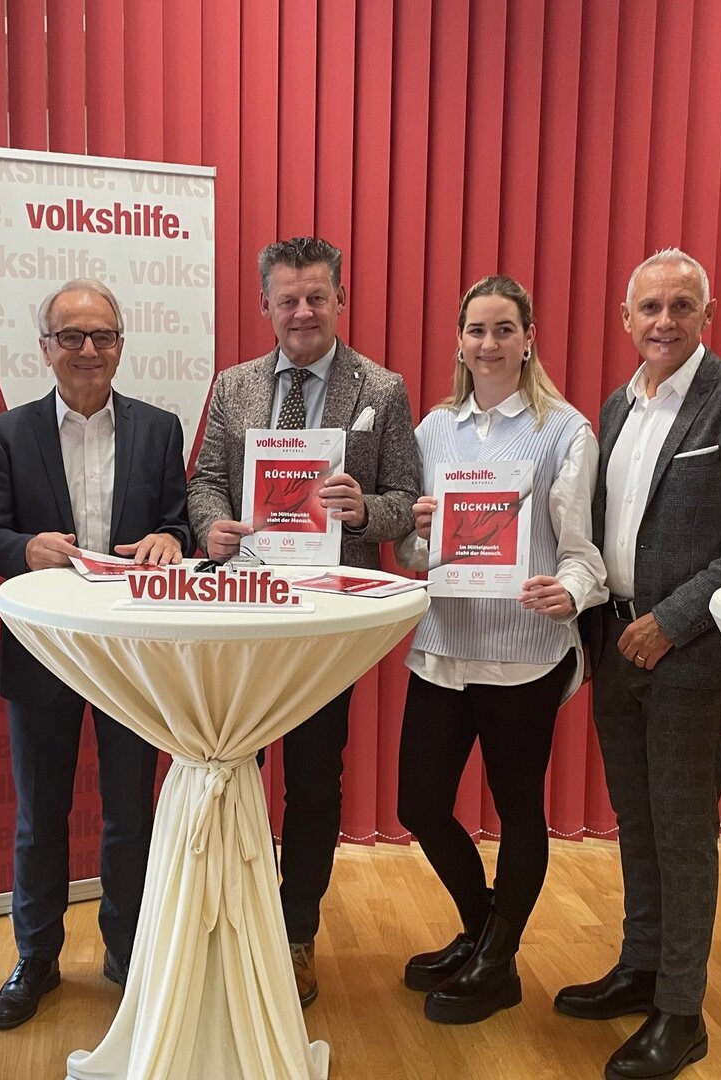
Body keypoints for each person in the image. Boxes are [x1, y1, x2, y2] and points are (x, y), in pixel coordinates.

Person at [555, 249, 721, 1080]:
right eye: (649, 307)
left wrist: (673, 618)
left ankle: (681, 1011)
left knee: (684, 830)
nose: (664, 321)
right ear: (624, 319)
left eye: (681, 306)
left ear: (709, 313)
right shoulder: (615, 408)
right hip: (615, 646)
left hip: (688, 655)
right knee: (636, 819)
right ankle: (642, 965)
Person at [187, 236, 420, 1006]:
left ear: (339, 300)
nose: (302, 311)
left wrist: (367, 508)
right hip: (246, 612)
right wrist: (214, 527)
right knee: (238, 768)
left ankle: (296, 930)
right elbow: (207, 483)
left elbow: (406, 504)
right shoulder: (234, 386)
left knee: (317, 781)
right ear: (265, 305)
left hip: (327, 620)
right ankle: (236, 918)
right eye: (287, 298)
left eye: (316, 296)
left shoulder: (380, 390)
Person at [0, 278, 191, 1030]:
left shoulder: (161, 430)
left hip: (132, 655)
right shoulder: (5, 433)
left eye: (102, 336)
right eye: (72, 337)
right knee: (40, 815)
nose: (88, 350)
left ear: (122, 345)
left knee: (130, 814)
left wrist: (174, 537)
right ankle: (36, 958)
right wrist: (23, 547)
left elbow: (180, 522)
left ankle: (125, 951)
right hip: (45, 654)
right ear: (46, 348)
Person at [394, 275, 608, 1025]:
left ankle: (498, 961)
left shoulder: (564, 431)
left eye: (503, 329)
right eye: (476, 330)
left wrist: (570, 594)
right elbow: (418, 556)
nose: (488, 343)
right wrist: (420, 530)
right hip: (444, 647)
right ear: (459, 340)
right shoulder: (432, 431)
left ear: (528, 338)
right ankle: (485, 928)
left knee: (518, 811)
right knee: (418, 803)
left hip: (523, 653)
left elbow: (585, 554)